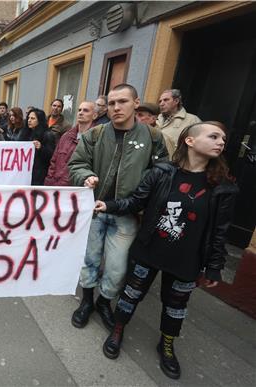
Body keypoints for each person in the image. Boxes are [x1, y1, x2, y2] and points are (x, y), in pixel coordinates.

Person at [95, 121, 237, 380]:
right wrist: (109, 205)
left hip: (186, 259)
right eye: (214, 136)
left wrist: (214, 266)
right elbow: (137, 201)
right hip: (149, 249)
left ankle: (167, 345)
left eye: (223, 139)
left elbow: (219, 232)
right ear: (190, 141)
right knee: (130, 294)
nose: (221, 142)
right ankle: (118, 328)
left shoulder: (223, 188)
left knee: (176, 306)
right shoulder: (161, 172)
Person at [68, 84, 169, 331]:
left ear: (136, 103)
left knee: (116, 268)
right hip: (93, 211)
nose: (116, 107)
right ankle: (87, 301)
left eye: (122, 101)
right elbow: (76, 164)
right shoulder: (95, 134)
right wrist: (86, 176)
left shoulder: (153, 137)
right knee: (89, 260)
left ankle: (104, 302)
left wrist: (141, 198)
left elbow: (163, 173)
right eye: (112, 103)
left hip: (127, 214)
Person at [45, 101, 97, 186]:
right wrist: (49, 181)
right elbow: (54, 161)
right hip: (56, 186)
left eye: (86, 110)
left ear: (94, 115)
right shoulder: (66, 136)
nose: (81, 113)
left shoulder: (96, 139)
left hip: (76, 190)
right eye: (79, 110)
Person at [157, 89, 201, 157]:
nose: (161, 104)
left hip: (176, 163)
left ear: (176, 101)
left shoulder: (192, 120)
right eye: (160, 101)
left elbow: (199, 144)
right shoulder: (155, 119)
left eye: (166, 100)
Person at [26, 108, 56, 185]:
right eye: (28, 118)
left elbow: (52, 155)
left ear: (39, 120)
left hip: (39, 175)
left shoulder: (47, 135)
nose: (29, 120)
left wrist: (41, 148)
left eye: (32, 118)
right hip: (27, 172)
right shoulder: (26, 133)